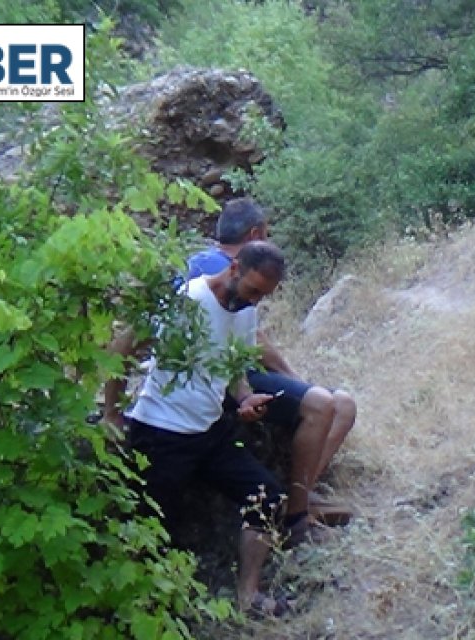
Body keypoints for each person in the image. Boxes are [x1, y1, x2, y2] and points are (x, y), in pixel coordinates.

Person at [102, 241, 321, 616]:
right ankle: (142, 612)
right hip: (160, 433)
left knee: (266, 497)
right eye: (253, 290)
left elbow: (232, 366)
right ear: (234, 268)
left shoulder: (245, 311)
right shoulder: (187, 299)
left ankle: (248, 597)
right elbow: (123, 344)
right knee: (152, 530)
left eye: (263, 296)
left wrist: (246, 398)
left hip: (210, 431)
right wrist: (111, 414)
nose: (255, 301)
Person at [185, 198, 357, 502]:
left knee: (332, 401)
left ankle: (299, 497)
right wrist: (293, 377)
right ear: (255, 235)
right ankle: (298, 502)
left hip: (203, 375)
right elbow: (251, 338)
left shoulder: (198, 261)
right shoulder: (227, 271)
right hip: (224, 377)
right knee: (337, 405)